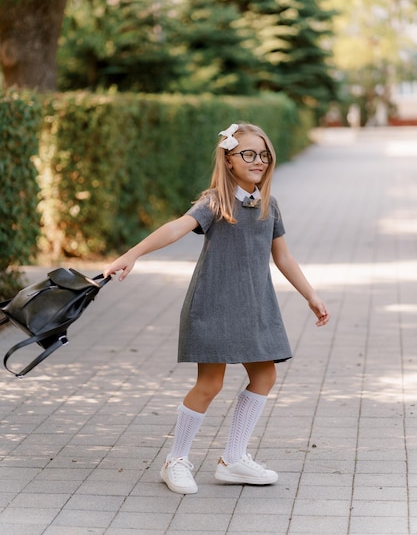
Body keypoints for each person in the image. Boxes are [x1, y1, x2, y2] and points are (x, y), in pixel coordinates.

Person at [104, 122, 330, 495]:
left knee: (265, 376)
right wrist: (132, 255)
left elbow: (283, 256)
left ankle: (233, 460)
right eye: (248, 154)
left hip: (256, 305)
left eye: (263, 154)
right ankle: (175, 460)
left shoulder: (268, 204)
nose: (258, 161)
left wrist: (310, 294)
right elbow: (177, 227)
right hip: (215, 302)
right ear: (228, 159)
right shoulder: (215, 202)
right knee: (210, 383)